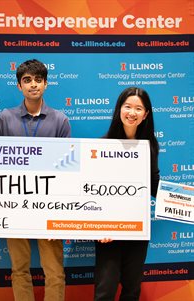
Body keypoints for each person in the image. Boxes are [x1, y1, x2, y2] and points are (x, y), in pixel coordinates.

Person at [0, 59, 71, 301]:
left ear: (46, 84)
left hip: (49, 207)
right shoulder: (5, 119)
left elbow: (65, 170)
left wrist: (57, 211)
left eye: (38, 80)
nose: (33, 85)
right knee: (19, 270)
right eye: (27, 80)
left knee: (55, 272)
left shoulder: (60, 120)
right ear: (19, 86)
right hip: (14, 205)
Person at [94, 87, 160, 301]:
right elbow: (93, 190)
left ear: (146, 114)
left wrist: (181, 201)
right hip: (109, 231)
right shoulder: (102, 146)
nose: (132, 112)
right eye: (128, 106)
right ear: (119, 110)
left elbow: (153, 184)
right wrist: (99, 226)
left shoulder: (150, 146)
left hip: (137, 228)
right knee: (106, 290)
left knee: (132, 289)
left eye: (138, 108)